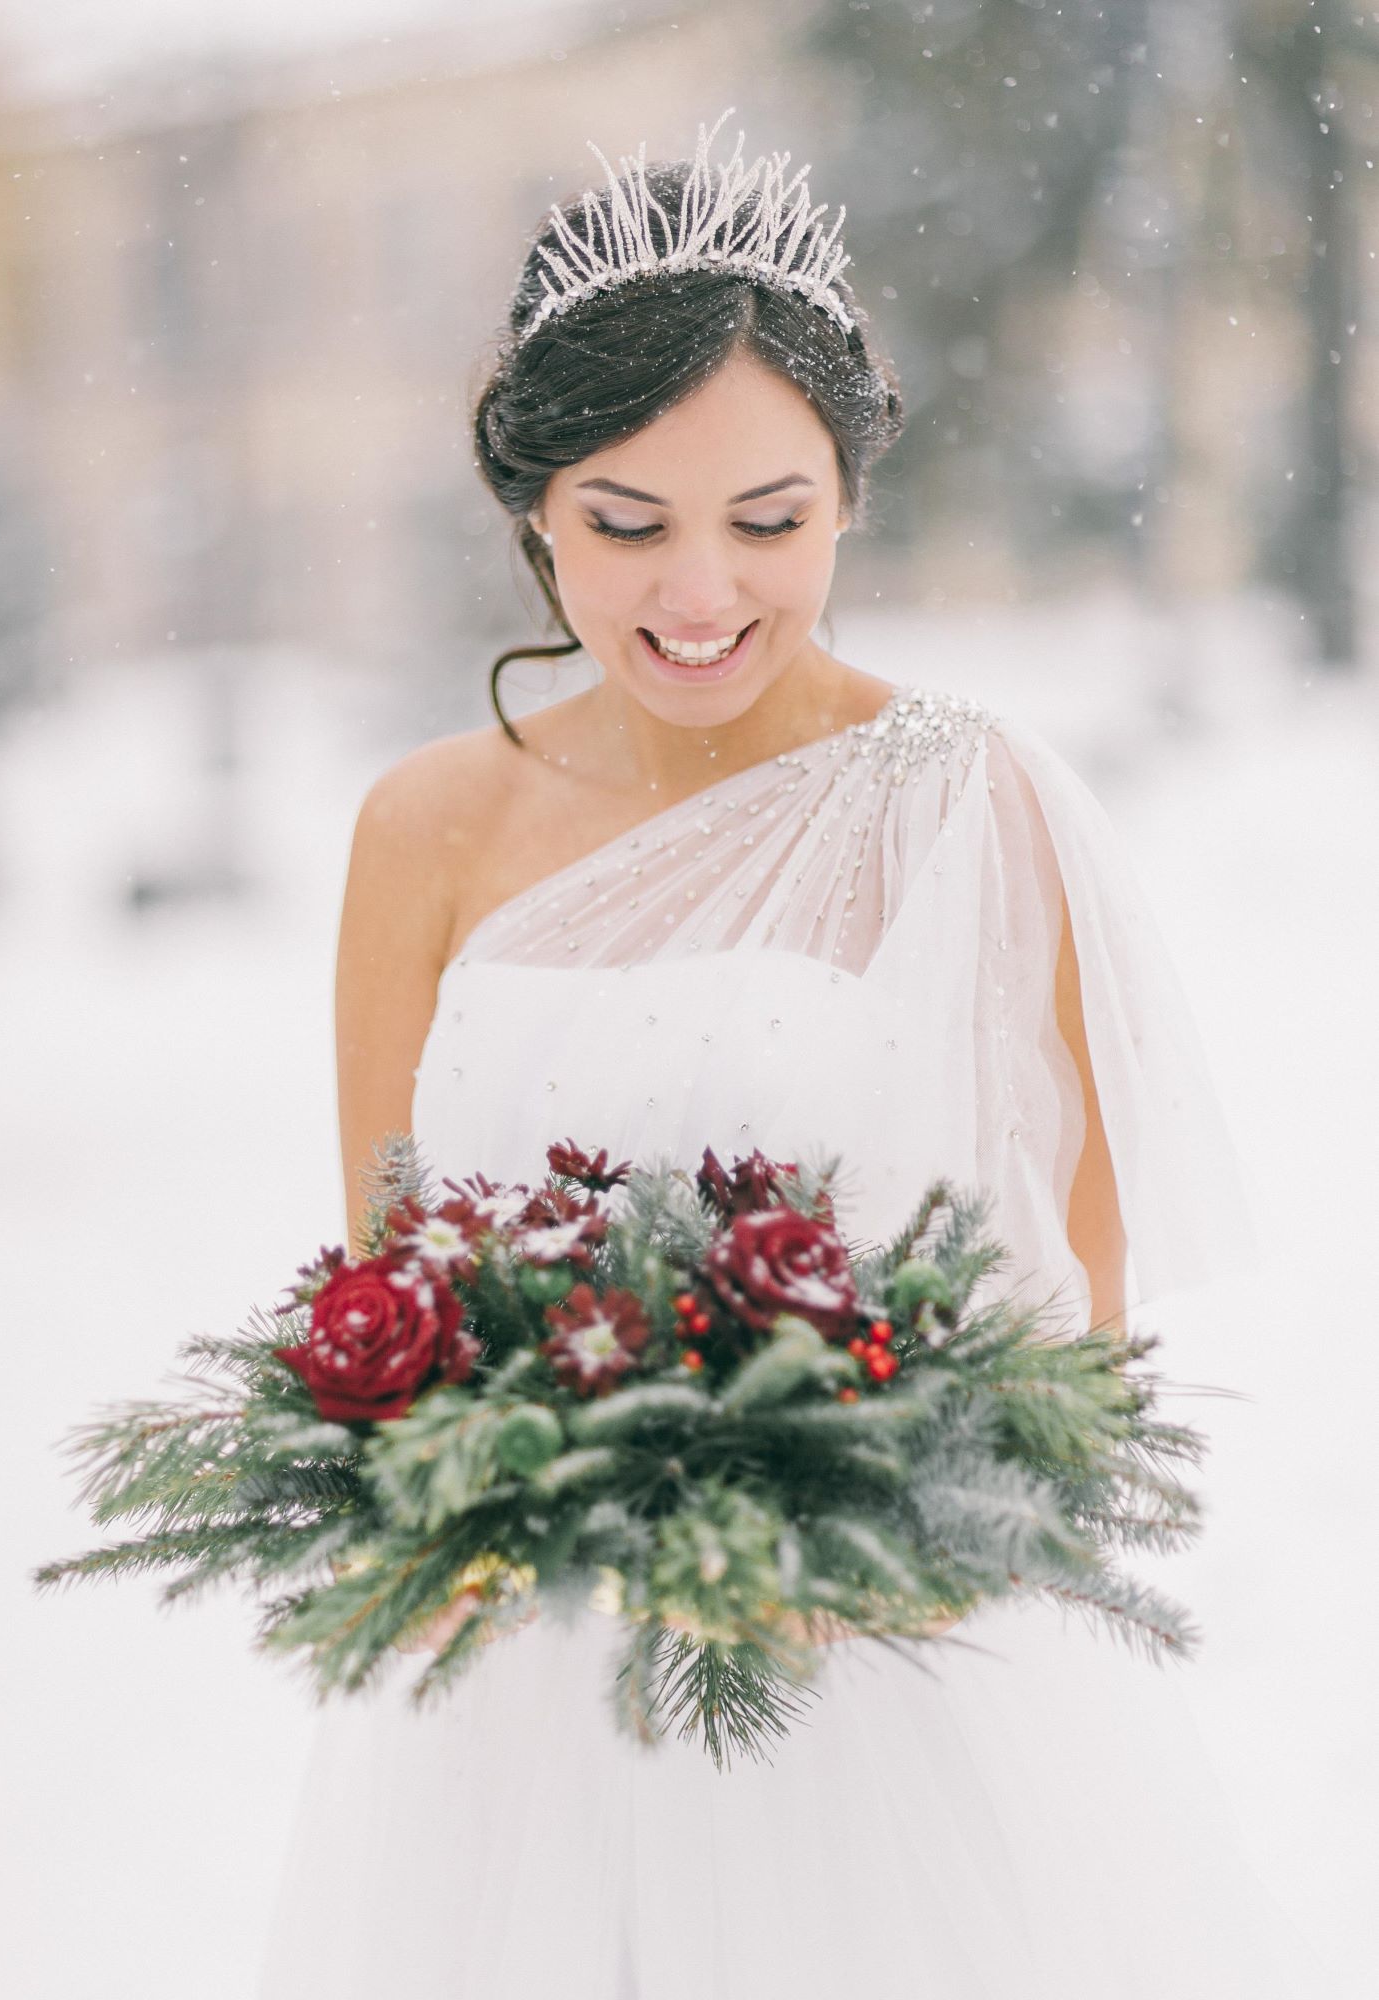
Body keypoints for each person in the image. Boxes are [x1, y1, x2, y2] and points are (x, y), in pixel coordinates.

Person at [258, 110, 1313, 1999]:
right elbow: (389, 1276)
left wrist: (867, 1541)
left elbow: (1079, 1333)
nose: (698, 598)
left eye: (768, 522)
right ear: (532, 509)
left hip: (890, 1655)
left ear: (850, 495)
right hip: (523, 1701)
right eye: (624, 524)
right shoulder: (421, 829)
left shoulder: (968, 803)